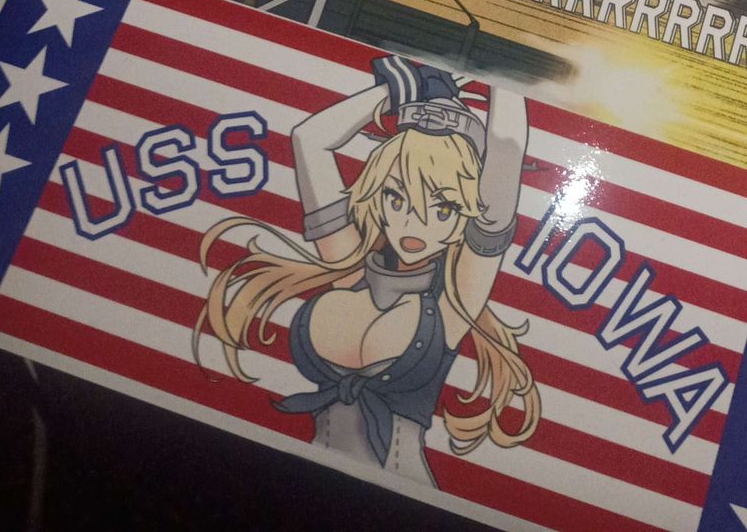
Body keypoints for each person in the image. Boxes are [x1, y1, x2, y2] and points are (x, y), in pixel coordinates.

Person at [197, 56, 539, 484]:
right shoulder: (349, 266)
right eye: (397, 198)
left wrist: (503, 62)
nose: (414, 223)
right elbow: (309, 139)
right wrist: (403, 87)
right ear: (376, 197)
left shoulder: (454, 300)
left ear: (465, 219)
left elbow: (506, 149)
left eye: (443, 207)